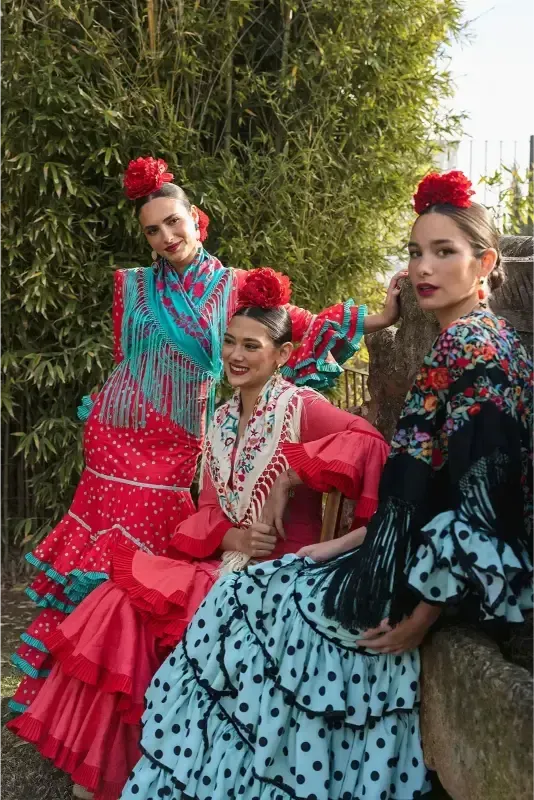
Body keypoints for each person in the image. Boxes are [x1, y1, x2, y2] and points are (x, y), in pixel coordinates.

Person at [120, 170, 534, 800]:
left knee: (242, 615)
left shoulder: (480, 354)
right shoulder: (458, 344)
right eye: (416, 252)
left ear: (485, 263)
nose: (423, 268)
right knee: (245, 599)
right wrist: (336, 547)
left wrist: (422, 618)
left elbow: (484, 514)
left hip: (421, 588)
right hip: (389, 557)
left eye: (444, 252)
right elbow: (422, 500)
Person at [8, 156, 404, 718]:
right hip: (116, 437)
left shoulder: (234, 287)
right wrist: (103, 409)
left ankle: (138, 706)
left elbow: (299, 325)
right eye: (153, 229)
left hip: (179, 444)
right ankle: (72, 702)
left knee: (145, 567)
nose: (167, 237)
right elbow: (130, 361)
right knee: (98, 563)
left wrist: (378, 318)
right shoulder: (133, 286)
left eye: (174, 222)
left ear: (198, 219)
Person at [7, 270, 390, 800]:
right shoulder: (220, 420)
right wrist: (230, 539)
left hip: (281, 578)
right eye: (229, 342)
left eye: (250, 346)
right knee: (116, 600)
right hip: (229, 566)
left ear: (280, 355)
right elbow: (210, 507)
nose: (235, 355)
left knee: (132, 605)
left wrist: (291, 475)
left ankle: (158, 760)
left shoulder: (300, 407)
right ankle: (132, 760)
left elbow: (367, 441)